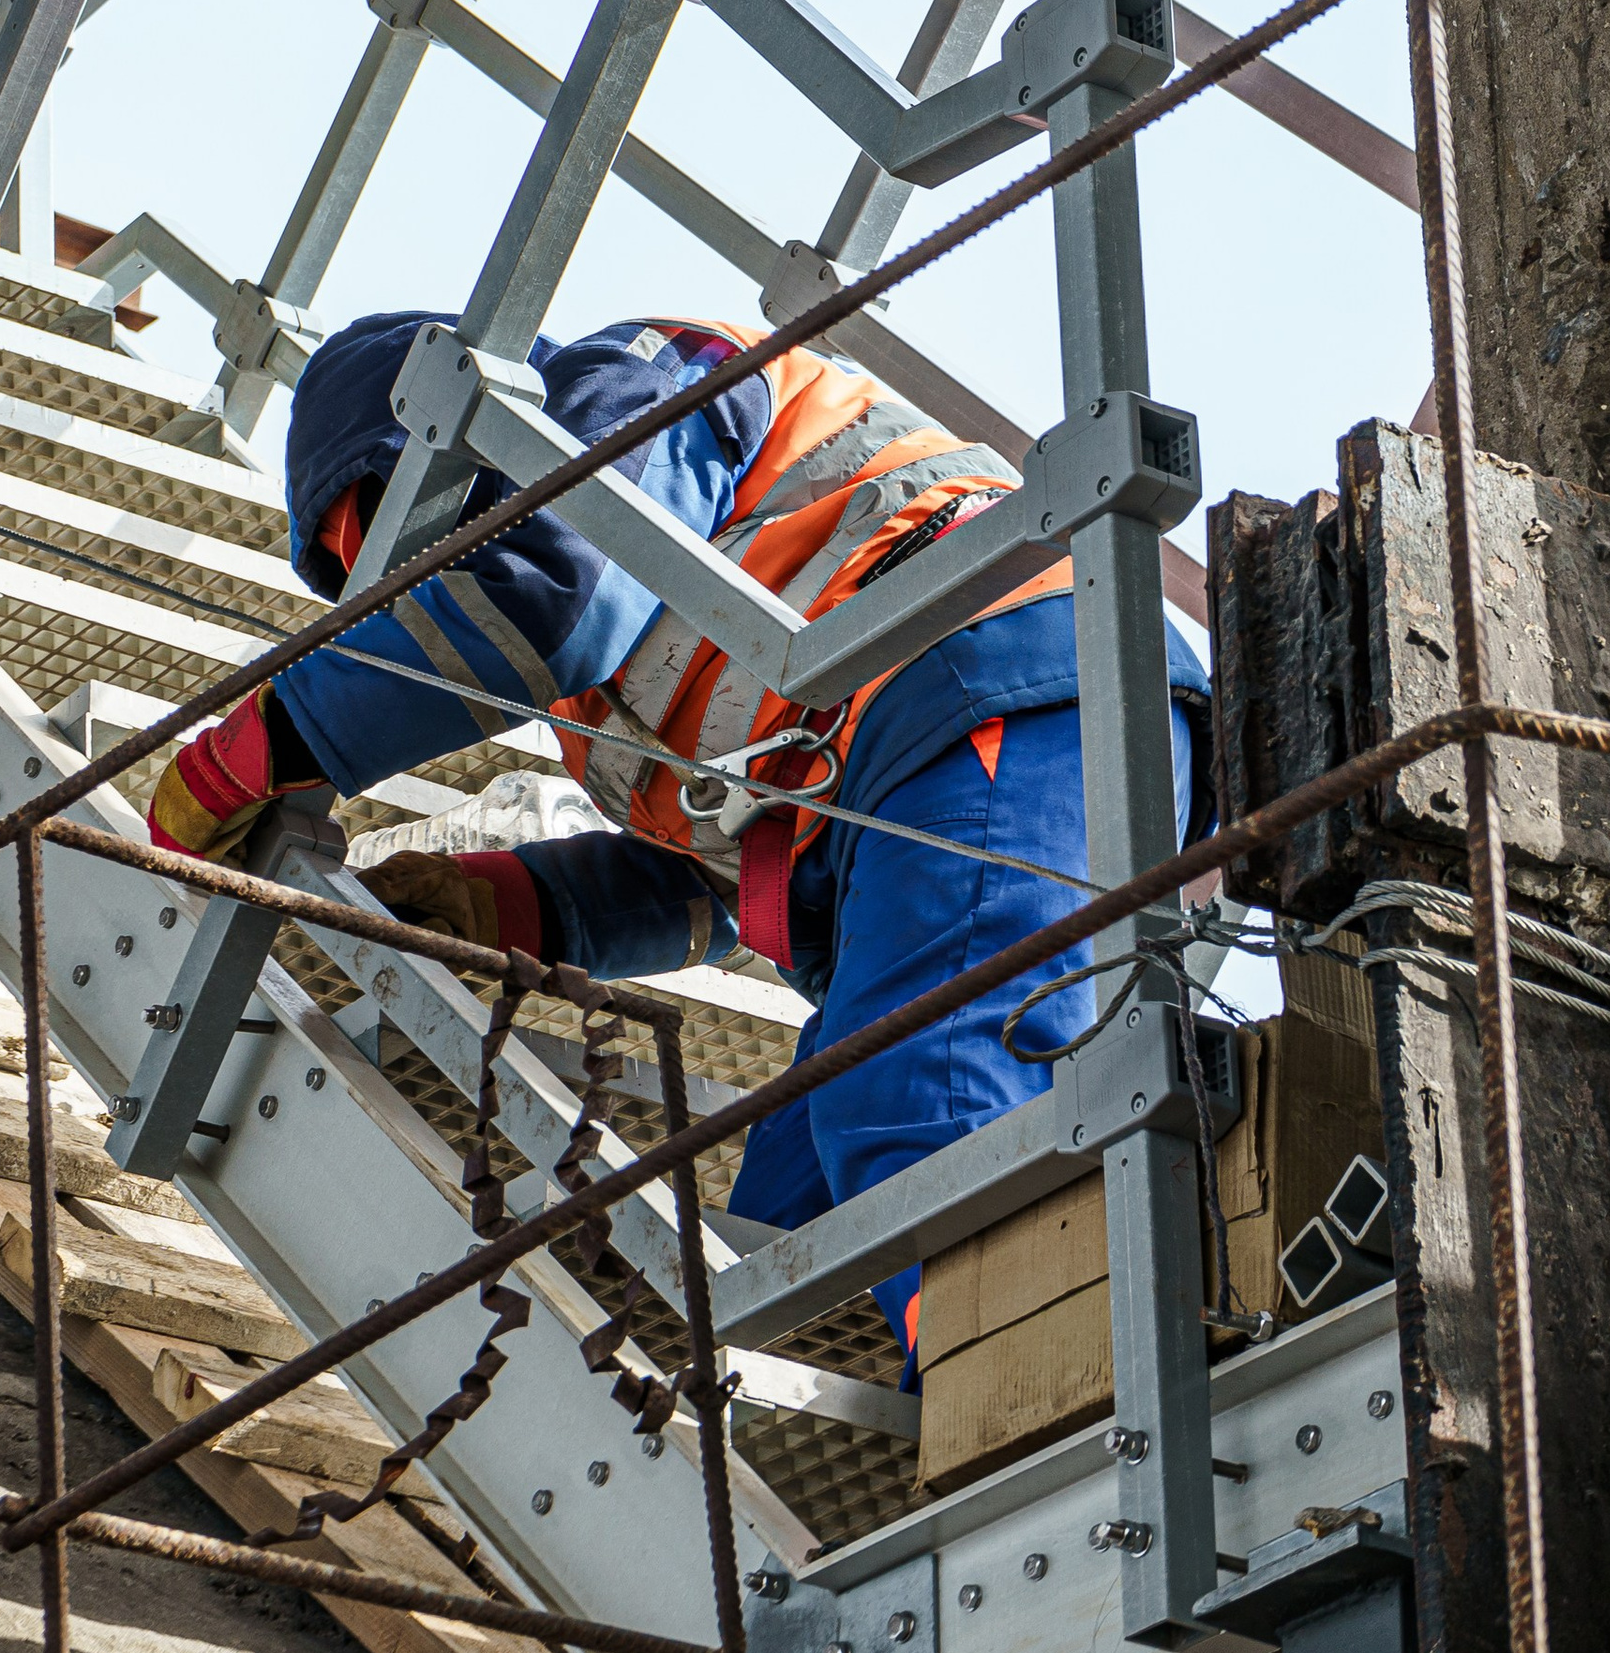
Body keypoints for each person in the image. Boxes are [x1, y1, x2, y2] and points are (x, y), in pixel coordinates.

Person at [149, 312, 1210, 1384]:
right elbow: (714, 881)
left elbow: (560, 592)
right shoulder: (589, 697)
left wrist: (260, 749)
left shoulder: (627, 386)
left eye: (386, 534)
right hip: (926, 790)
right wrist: (502, 906)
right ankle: (976, 1432)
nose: (404, 582)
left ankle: (1062, 1430)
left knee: (923, 1104)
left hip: (993, 684)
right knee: (784, 1241)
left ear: (454, 435)